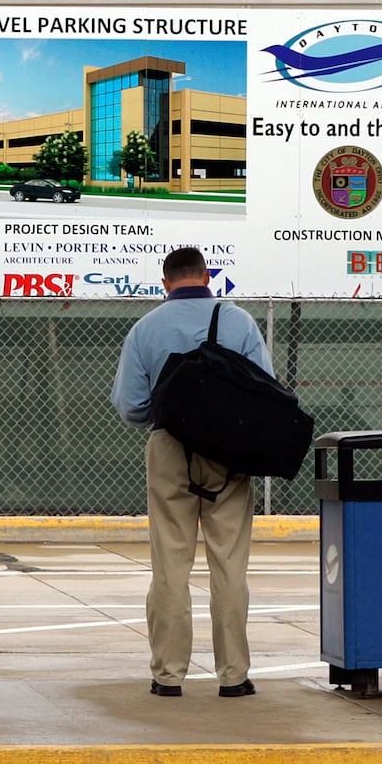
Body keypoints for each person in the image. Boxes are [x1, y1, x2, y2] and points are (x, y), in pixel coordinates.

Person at [110, 246, 273, 699]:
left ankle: (168, 675)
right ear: (207, 277)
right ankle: (234, 676)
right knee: (229, 562)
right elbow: (266, 388)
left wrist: (166, 418)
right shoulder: (239, 321)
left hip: (170, 449)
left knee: (170, 562)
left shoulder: (145, 328)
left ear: (166, 283)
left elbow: (130, 406)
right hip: (229, 453)